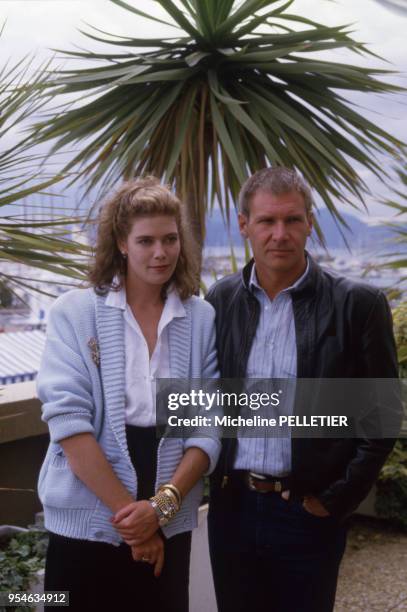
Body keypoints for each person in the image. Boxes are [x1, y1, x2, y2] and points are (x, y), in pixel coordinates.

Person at [205, 167, 401, 612]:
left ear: (310, 222)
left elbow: (383, 416)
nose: (280, 234)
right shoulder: (221, 300)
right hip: (231, 511)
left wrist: (335, 501)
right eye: (267, 221)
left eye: (293, 220)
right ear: (243, 225)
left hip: (307, 512)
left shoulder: (359, 304)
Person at [37, 177, 220, 612]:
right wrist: (136, 524)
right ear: (121, 242)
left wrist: (159, 510)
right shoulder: (76, 313)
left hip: (168, 514)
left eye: (171, 239)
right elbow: (69, 424)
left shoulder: (199, 318)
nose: (161, 252)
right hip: (86, 515)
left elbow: (204, 427)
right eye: (146, 240)